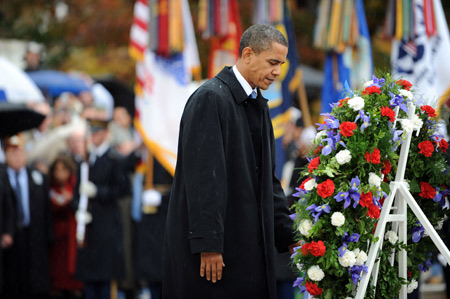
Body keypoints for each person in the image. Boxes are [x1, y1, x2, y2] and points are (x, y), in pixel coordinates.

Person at [162, 24, 298, 299]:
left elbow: (267, 182)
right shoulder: (210, 98)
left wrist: (289, 236)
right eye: (272, 63)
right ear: (247, 54)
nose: (277, 72)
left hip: (245, 250)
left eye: (281, 65)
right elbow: (203, 179)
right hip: (216, 256)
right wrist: (208, 244)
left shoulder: (258, 105)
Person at [73, 118, 127, 299]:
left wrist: (99, 192)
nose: (94, 137)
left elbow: (122, 189)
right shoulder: (86, 160)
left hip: (107, 225)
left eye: (97, 133)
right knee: (89, 278)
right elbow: (77, 191)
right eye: (92, 133)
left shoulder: (114, 159)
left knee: (105, 278)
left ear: (105, 134)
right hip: (89, 226)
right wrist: (78, 209)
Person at [2, 134, 53, 299]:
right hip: (9, 237)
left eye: (20, 152)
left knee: (34, 281)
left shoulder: (38, 177)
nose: (17, 157)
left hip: (33, 235)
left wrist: (49, 237)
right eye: (12, 153)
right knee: (11, 280)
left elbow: (47, 211)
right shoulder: (2, 177)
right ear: (6, 155)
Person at [48, 154, 83, 298]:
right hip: (58, 239)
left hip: (72, 237)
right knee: (58, 280)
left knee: (74, 280)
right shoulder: (50, 187)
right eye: (57, 169)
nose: (60, 173)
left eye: (64, 169)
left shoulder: (75, 186)